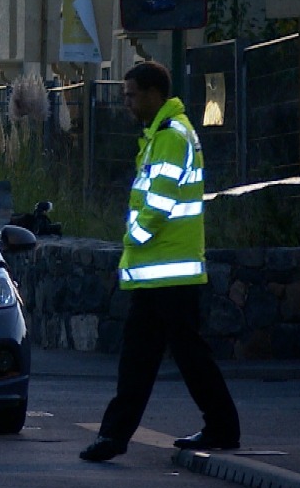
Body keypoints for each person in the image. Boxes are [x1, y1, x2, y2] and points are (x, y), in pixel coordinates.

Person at [81, 61, 241, 462]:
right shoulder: (163, 134)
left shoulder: (170, 137)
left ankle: (219, 428)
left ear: (154, 93)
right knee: (144, 359)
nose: (127, 103)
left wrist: (132, 236)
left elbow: (157, 204)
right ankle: (114, 436)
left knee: (180, 357)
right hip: (160, 274)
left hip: (168, 271)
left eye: (132, 95)